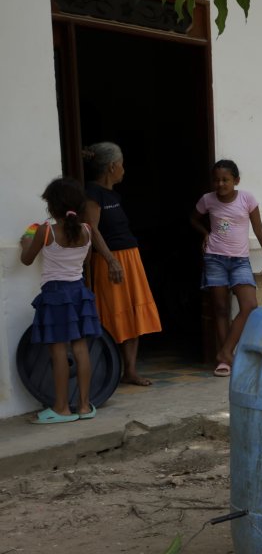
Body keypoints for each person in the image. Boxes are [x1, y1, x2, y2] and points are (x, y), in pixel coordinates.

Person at [20, 178, 123, 423]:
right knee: (80, 348)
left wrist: (26, 240)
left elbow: (26, 259)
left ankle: (61, 408)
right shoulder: (87, 231)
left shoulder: (46, 231)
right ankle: (85, 406)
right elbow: (86, 259)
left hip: (55, 295)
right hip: (79, 292)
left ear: (52, 207)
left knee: (57, 351)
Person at [190, 159, 262, 377]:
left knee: (249, 305)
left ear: (236, 180)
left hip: (240, 261)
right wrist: (205, 234)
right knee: (221, 309)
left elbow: (258, 229)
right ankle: (226, 361)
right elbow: (193, 219)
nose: (220, 184)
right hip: (214, 259)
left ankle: (224, 352)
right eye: (217, 180)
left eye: (226, 180)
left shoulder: (247, 199)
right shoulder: (207, 200)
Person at [83, 142, 163, 386]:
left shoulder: (113, 194)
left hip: (130, 258)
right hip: (111, 260)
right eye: (122, 164)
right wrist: (110, 260)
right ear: (111, 166)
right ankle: (107, 370)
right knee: (112, 314)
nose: (123, 170)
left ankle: (130, 371)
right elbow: (91, 230)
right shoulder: (93, 193)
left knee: (134, 313)